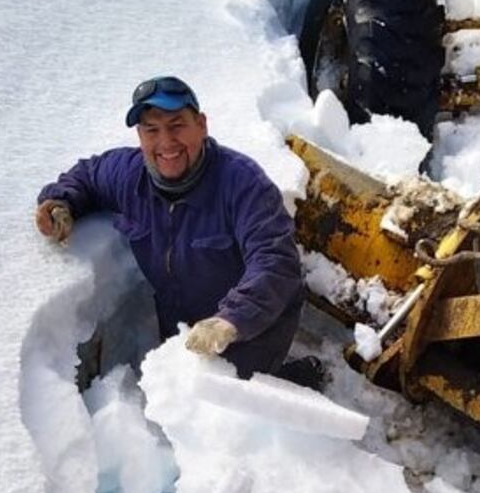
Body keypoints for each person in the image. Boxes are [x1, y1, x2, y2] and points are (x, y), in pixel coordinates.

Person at [35, 75, 308, 381]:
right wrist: (60, 203)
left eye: (177, 125)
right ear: (140, 136)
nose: (165, 142)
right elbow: (87, 175)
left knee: (223, 413)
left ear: (202, 125)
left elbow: (276, 263)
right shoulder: (130, 175)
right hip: (180, 325)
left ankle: (294, 381)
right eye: (151, 130)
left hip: (251, 331)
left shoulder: (243, 184)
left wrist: (230, 321)